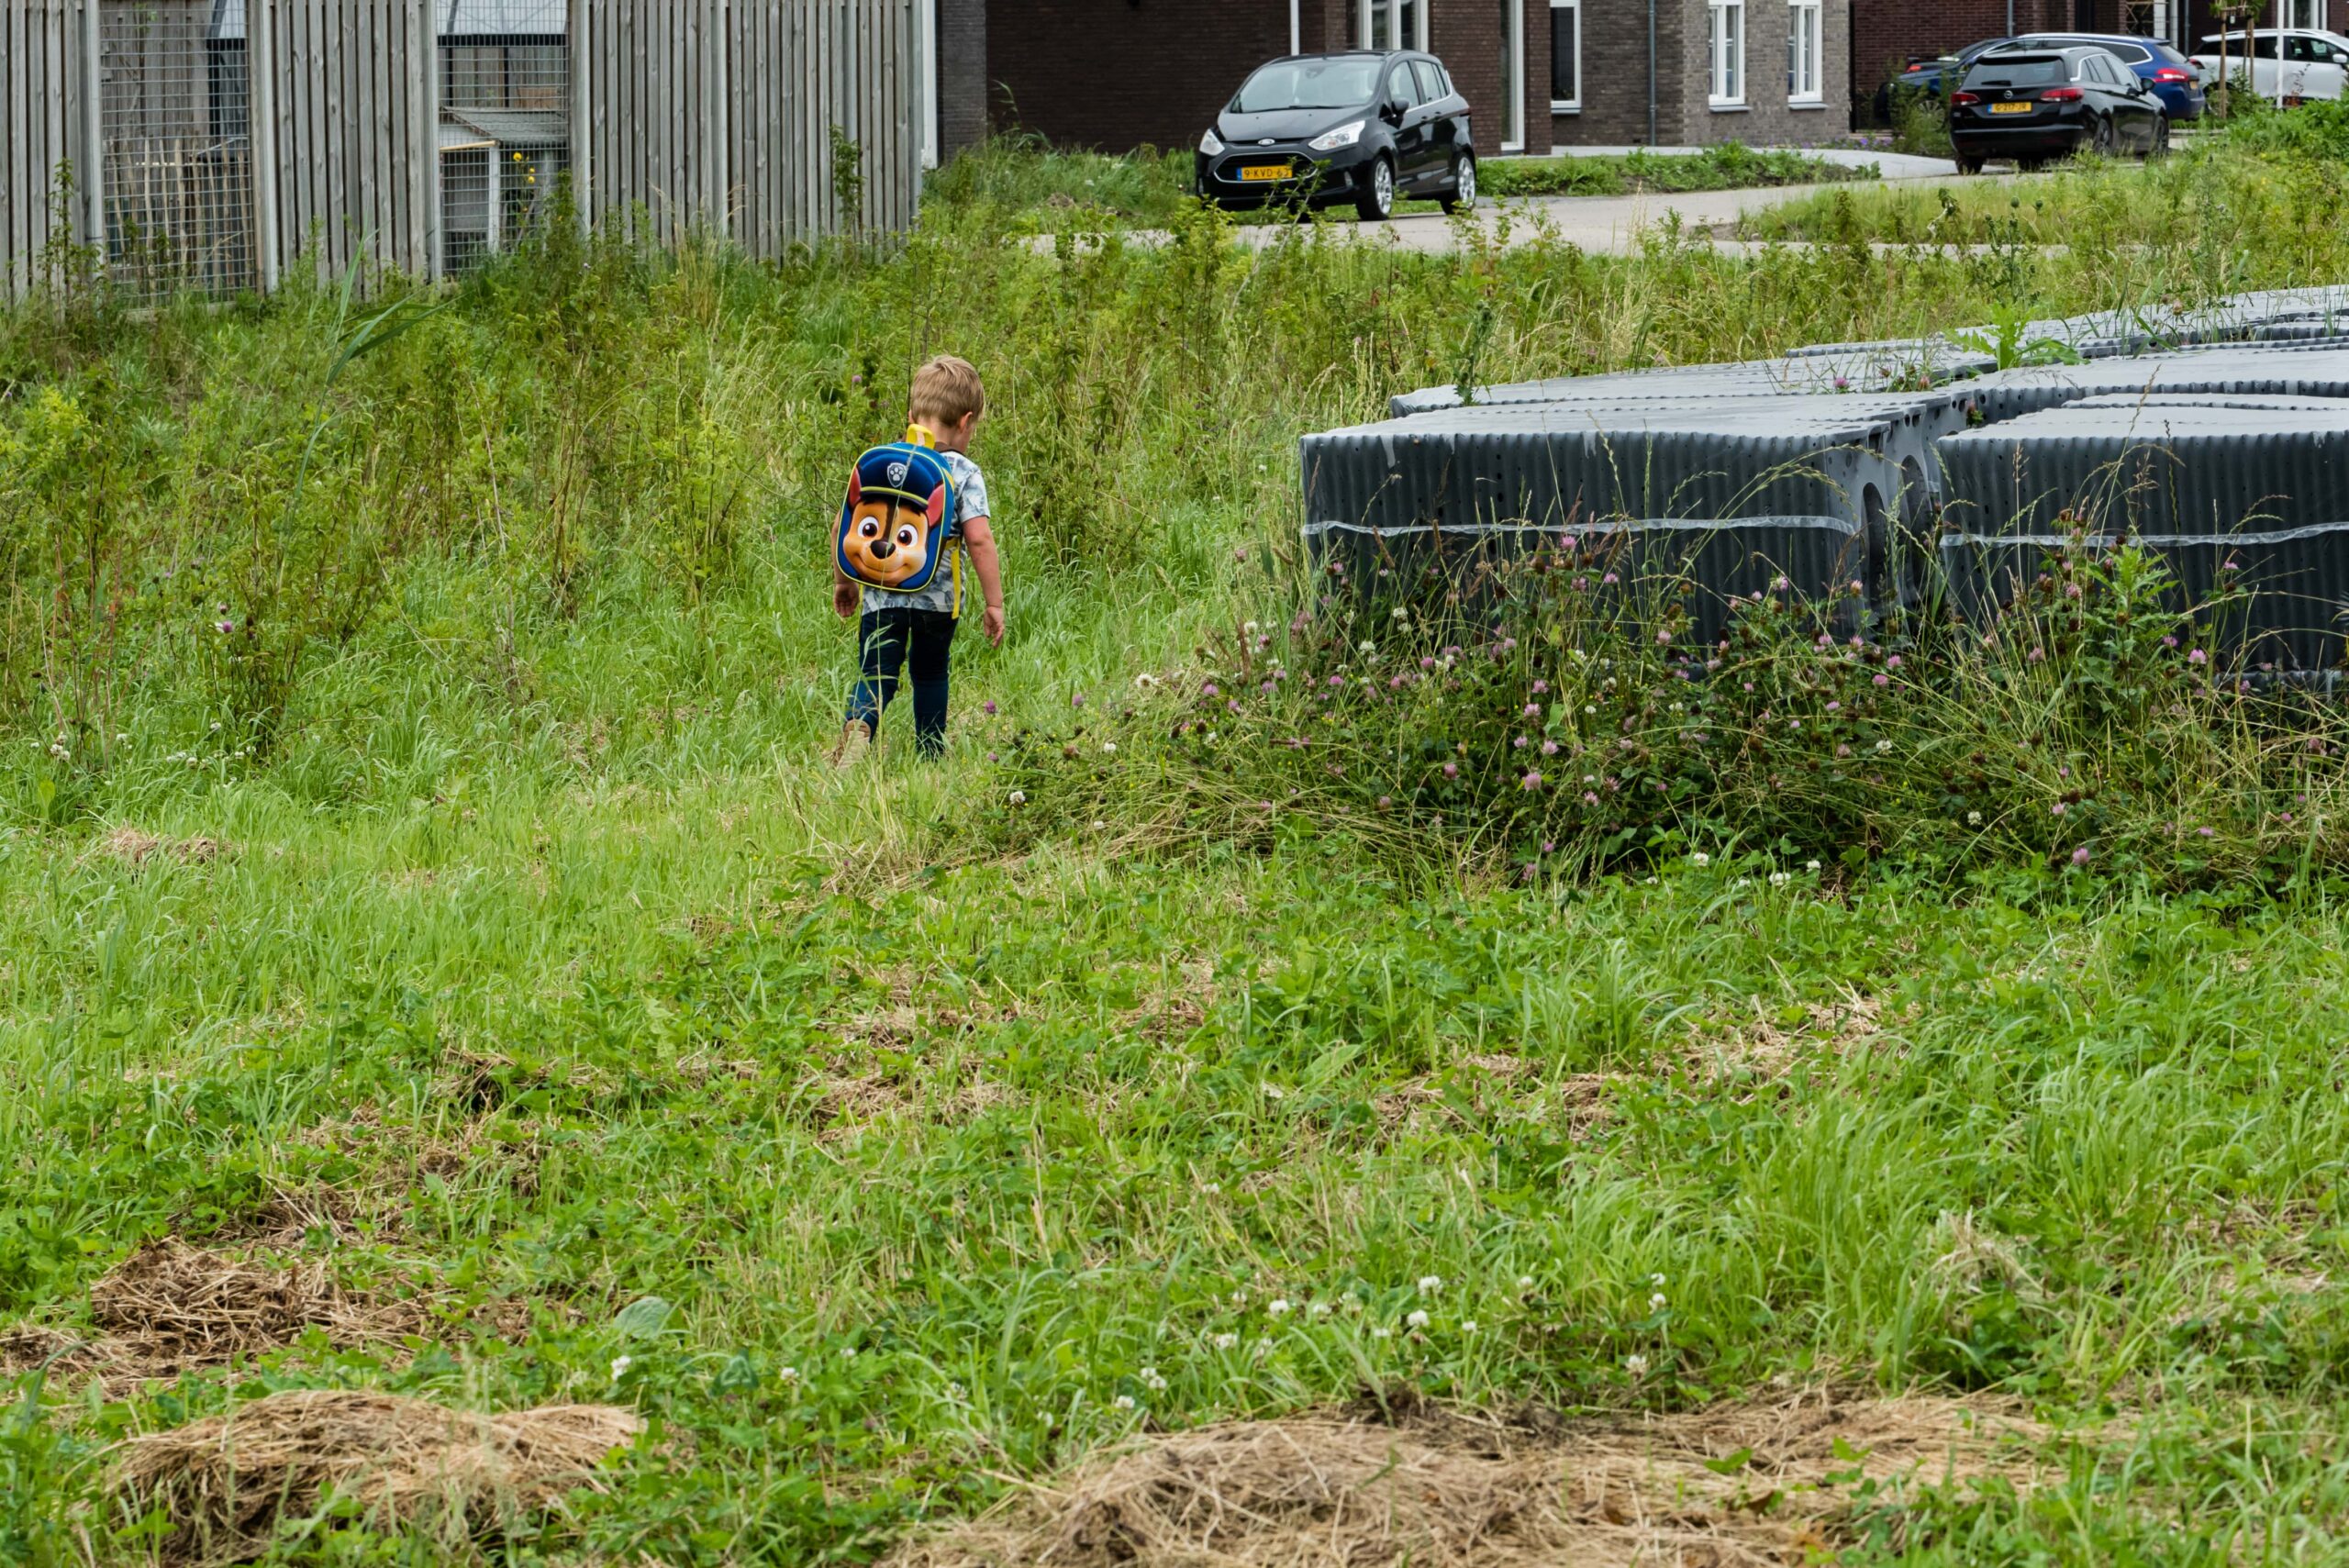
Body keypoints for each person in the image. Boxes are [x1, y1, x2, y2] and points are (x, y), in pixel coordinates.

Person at [836, 354, 1004, 760]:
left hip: (881, 594)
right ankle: (930, 755)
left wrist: (844, 581)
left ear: (910, 414)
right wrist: (994, 602)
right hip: (937, 603)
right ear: (966, 422)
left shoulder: (881, 462)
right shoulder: (964, 472)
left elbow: (847, 522)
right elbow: (979, 540)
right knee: (930, 674)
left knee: (876, 673)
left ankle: (859, 725)